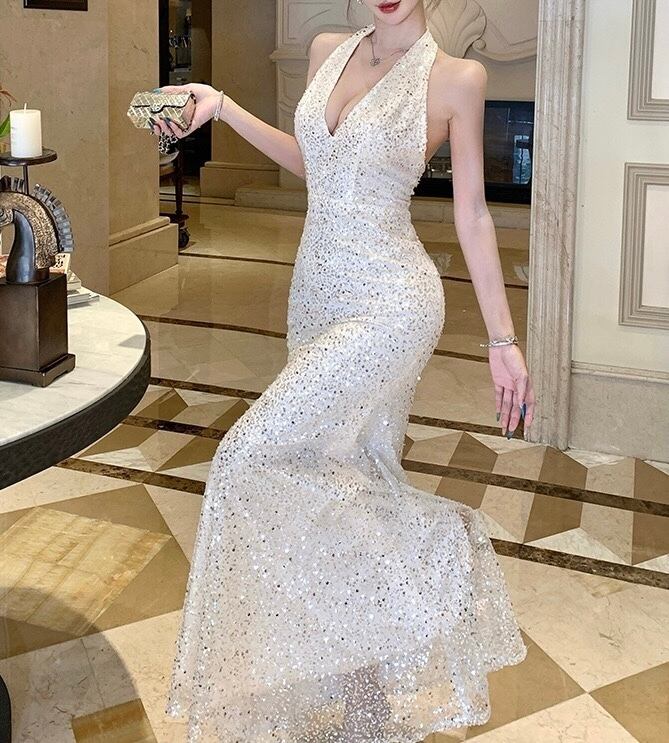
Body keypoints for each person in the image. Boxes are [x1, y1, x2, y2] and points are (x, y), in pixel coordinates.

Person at [153, 1, 533, 740]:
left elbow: (473, 216)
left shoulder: (455, 77)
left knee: (246, 454)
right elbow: (314, 163)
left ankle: (442, 547)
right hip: (316, 297)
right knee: (346, 481)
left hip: (391, 303)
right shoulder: (328, 47)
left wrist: (501, 339)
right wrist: (222, 107)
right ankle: (368, 706)